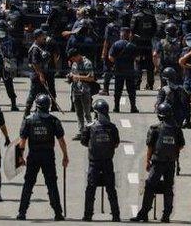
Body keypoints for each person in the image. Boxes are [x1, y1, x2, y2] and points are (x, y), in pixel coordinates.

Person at [16, 93, 68, 221]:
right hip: (48, 156)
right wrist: (65, 156)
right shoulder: (54, 120)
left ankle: (22, 213)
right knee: (51, 184)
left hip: (33, 156)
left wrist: (20, 157)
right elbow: (61, 140)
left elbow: (22, 141)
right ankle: (58, 213)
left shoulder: (29, 120)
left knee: (28, 184)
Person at [130, 102, 184, 223]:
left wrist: (147, 160)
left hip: (158, 162)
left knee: (150, 185)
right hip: (171, 162)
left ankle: (144, 213)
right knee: (168, 187)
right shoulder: (176, 128)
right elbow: (181, 145)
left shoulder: (155, 128)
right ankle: (166, 216)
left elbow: (150, 147)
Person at [80, 98, 121, 221]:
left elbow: (84, 142)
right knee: (111, 189)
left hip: (94, 162)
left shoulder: (89, 127)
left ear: (97, 113)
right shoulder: (112, 127)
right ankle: (116, 216)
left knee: (91, 188)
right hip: (108, 161)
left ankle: (88, 215)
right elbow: (116, 143)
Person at [24, 29, 55, 116]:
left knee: (43, 94)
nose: (44, 37)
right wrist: (41, 75)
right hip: (36, 75)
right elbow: (35, 63)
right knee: (33, 94)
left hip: (42, 74)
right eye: (42, 36)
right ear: (37, 37)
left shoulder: (41, 46)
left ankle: (41, 112)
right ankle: (26, 113)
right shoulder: (35, 48)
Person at [109, 27, 139, 114]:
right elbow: (137, 58)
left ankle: (116, 107)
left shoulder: (116, 44)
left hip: (119, 70)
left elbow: (110, 57)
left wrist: (118, 62)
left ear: (121, 34)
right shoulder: (132, 46)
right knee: (131, 90)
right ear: (129, 35)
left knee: (118, 89)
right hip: (130, 70)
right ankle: (133, 107)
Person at [67, 47, 95, 139]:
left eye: (73, 58)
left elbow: (91, 78)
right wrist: (70, 77)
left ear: (77, 55)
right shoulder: (74, 63)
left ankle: (90, 131)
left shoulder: (87, 63)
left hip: (85, 91)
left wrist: (77, 77)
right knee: (79, 113)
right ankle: (81, 131)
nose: (72, 60)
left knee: (87, 113)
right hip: (76, 91)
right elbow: (73, 74)